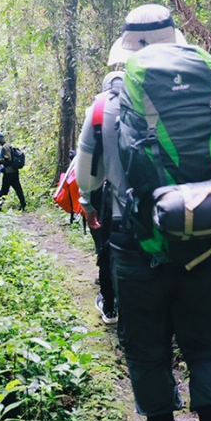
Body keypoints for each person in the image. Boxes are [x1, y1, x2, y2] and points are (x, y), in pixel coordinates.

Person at [106, 4, 211, 421]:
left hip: (137, 246)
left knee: (145, 346)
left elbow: (89, 178)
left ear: (130, 49)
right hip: (208, 238)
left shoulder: (109, 101)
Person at [74, 71, 124, 326]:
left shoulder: (99, 111)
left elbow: (86, 173)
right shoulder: (150, 105)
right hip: (160, 203)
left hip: (113, 203)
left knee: (107, 253)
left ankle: (110, 306)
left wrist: (87, 205)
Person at [0, 132, 26, 211]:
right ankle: (23, 204)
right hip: (14, 171)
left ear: (0, 139)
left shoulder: (5, 147)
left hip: (9, 172)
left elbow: (8, 159)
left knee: (4, 189)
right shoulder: (8, 145)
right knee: (17, 188)